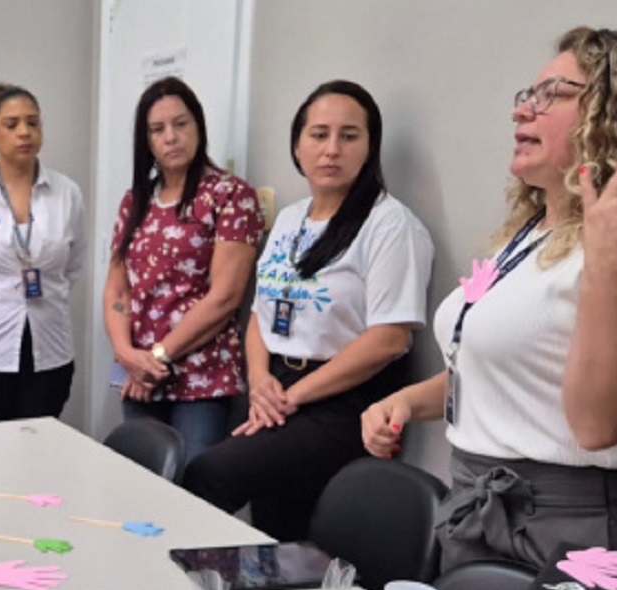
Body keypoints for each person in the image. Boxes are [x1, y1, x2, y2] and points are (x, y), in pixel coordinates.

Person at [362, 27, 617, 571]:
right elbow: (506, 364)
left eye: (553, 94)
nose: (522, 111)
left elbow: (600, 425)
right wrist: (408, 402)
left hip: (583, 532)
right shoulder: (529, 233)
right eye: (528, 95)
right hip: (481, 507)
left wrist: (608, 266)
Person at [182, 81, 434, 541]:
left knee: (210, 474)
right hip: (279, 384)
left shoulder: (390, 224)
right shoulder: (290, 218)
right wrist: (261, 380)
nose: (332, 149)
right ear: (297, 145)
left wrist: (293, 396)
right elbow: (259, 315)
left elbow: (389, 339)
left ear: (370, 147)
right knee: (277, 526)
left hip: (345, 401)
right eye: (319, 135)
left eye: (349, 136)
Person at [103, 77, 264, 466]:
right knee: (139, 482)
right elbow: (117, 291)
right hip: (139, 376)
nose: (171, 137)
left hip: (200, 378)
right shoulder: (135, 201)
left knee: (191, 484)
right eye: (157, 129)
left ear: (198, 127)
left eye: (180, 124)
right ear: (146, 141)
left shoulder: (230, 195)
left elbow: (225, 297)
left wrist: (157, 357)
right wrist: (126, 355)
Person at [0, 83, 86, 423]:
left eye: (33, 122)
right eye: (12, 124)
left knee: (40, 444)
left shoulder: (68, 193)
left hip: (50, 348)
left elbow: (73, 265)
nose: (24, 132)